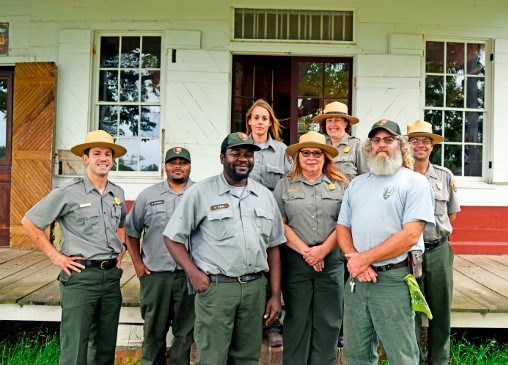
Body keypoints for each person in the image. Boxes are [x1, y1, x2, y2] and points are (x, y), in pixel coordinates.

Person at [163, 132, 286, 365]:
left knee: (247, 358)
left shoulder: (265, 196)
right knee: (212, 359)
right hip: (216, 290)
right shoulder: (200, 193)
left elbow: (274, 247)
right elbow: (172, 237)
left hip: (254, 290)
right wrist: (194, 274)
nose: (243, 159)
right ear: (222, 158)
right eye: (236, 153)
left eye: (248, 154)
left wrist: (275, 294)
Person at [21, 130, 128, 365]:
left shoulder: (117, 193)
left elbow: (121, 225)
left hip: (111, 278)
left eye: (108, 154)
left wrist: (121, 248)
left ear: (113, 159)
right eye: (97, 153)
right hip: (81, 277)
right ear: (85, 158)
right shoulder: (68, 192)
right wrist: (55, 257)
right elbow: (30, 222)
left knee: (104, 346)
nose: (103, 158)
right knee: (75, 349)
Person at [337, 120, 435, 365]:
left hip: (393, 280)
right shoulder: (357, 185)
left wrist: (364, 259)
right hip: (357, 281)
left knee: (402, 355)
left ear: (400, 145)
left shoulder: (414, 182)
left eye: (389, 140)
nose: (382, 145)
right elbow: (342, 227)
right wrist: (355, 261)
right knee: (355, 354)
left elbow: (411, 234)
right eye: (376, 140)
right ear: (369, 147)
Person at [273, 131, 348, 365]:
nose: (311, 157)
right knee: (297, 318)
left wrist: (323, 250)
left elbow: (345, 224)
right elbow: (280, 225)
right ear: (298, 157)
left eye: (317, 153)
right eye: (306, 153)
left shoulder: (341, 185)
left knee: (329, 319)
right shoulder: (285, 185)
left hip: (331, 259)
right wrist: (308, 252)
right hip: (297, 260)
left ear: (325, 157)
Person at [125, 147, 195, 365]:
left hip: (189, 276)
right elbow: (131, 231)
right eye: (172, 162)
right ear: (165, 166)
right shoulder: (148, 195)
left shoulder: (200, 193)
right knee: (154, 332)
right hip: (156, 276)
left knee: (185, 334)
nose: (177, 166)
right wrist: (137, 263)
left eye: (182, 162)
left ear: (189, 166)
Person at [407, 120, 460, 365]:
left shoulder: (444, 175)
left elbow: (451, 214)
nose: (420, 145)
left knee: (440, 311)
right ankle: (415, 360)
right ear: (406, 145)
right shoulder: (400, 177)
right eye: (415, 140)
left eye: (425, 140)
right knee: (412, 311)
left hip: (438, 249)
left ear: (432, 146)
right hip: (407, 252)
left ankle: (439, 360)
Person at [245, 98, 291, 347]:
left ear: (270, 122)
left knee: (277, 269)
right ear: (249, 121)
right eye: (256, 117)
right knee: (254, 270)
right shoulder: (241, 146)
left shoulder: (282, 151)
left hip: (274, 220)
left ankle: (274, 325)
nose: (260, 122)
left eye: (265, 118)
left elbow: (290, 183)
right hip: (246, 221)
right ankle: (255, 323)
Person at [313, 101, 368, 180]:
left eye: (337, 120)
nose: (332, 124)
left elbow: (366, 177)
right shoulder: (322, 147)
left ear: (345, 124)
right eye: (329, 120)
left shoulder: (357, 145)